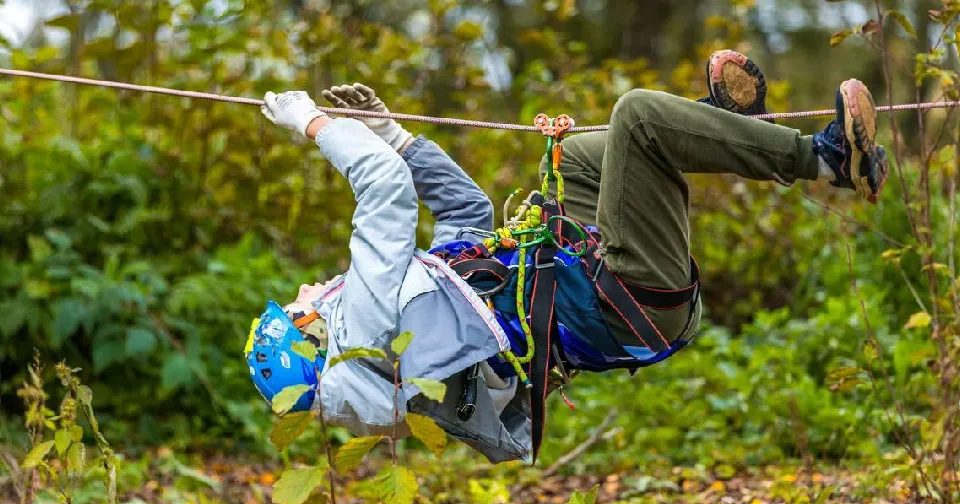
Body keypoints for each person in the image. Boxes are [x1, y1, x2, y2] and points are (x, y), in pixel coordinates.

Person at [244, 51, 887, 464]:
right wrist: (314, 125)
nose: (307, 288)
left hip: (607, 287)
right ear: (312, 335)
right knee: (635, 115)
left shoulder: (405, 338)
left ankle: (716, 128)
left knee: (578, 156)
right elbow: (382, 193)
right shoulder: (367, 326)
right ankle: (828, 159)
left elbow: (466, 215)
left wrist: (395, 136)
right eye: (299, 304)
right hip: (627, 295)